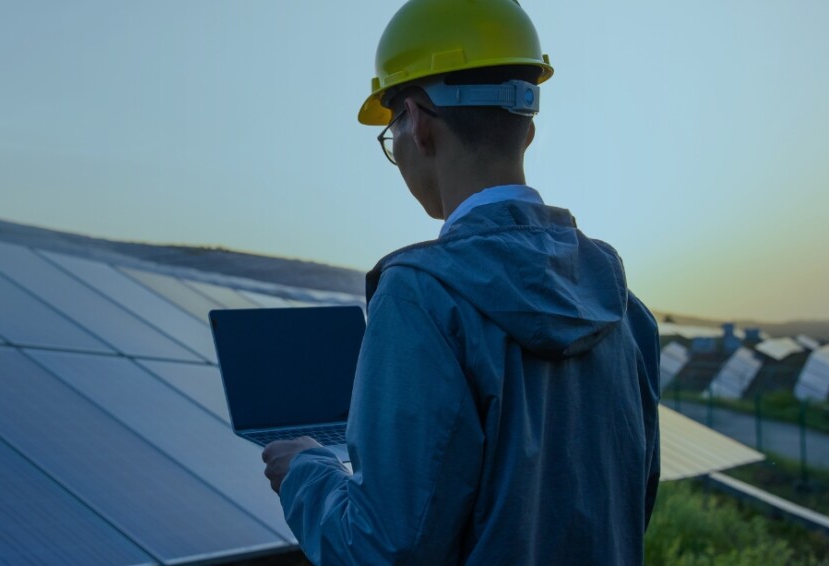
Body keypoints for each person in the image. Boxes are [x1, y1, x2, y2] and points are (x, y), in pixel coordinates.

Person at [261, 0, 661, 563]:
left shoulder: (421, 298)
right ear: (526, 128)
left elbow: (380, 549)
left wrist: (305, 473)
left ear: (418, 121)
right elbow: (632, 505)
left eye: (391, 132)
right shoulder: (624, 309)